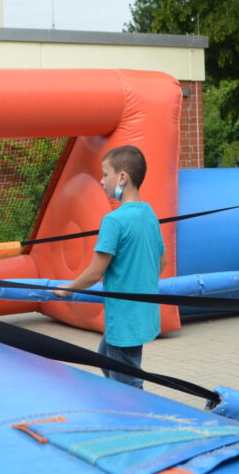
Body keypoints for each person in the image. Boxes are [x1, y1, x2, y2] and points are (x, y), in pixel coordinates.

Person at [52, 146, 166, 389]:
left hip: (124, 319)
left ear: (122, 177)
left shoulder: (113, 220)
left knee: (129, 385)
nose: (101, 181)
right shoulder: (149, 214)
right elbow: (162, 261)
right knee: (106, 359)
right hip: (141, 314)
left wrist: (67, 289)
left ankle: (140, 422)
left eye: (105, 174)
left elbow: (95, 272)